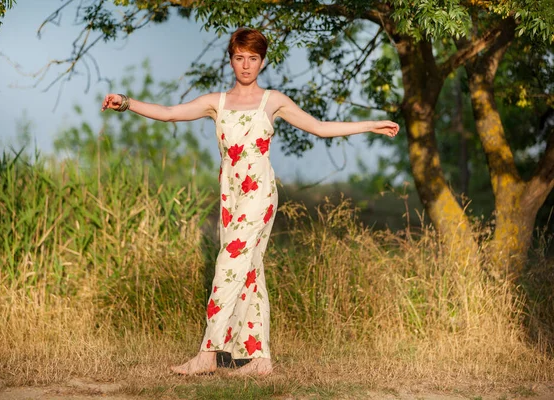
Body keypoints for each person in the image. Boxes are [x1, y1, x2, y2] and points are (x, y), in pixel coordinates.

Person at [101, 27, 399, 377]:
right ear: (231, 60)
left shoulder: (273, 101)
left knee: (227, 267)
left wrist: (370, 125)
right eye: (239, 57)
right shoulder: (217, 102)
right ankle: (260, 360)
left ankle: (208, 354)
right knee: (249, 272)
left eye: (253, 58)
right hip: (231, 194)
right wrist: (127, 103)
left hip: (259, 195)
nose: (246, 65)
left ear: (261, 62)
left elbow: (318, 127)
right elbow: (169, 113)